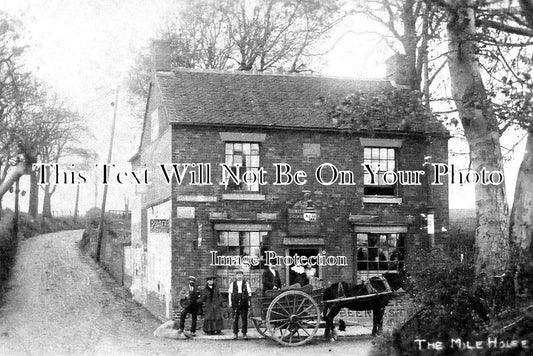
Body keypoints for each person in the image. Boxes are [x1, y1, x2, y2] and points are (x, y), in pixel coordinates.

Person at [228, 270, 252, 340]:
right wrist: (230, 302)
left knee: (244, 318)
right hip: (235, 302)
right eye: (238, 275)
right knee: (235, 318)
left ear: (243, 276)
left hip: (244, 302)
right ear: (236, 276)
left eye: (241, 275)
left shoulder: (246, 283)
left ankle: (244, 333)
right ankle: (235, 333)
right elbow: (229, 293)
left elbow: (249, 292)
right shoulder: (233, 283)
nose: (239, 276)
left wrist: (249, 302)